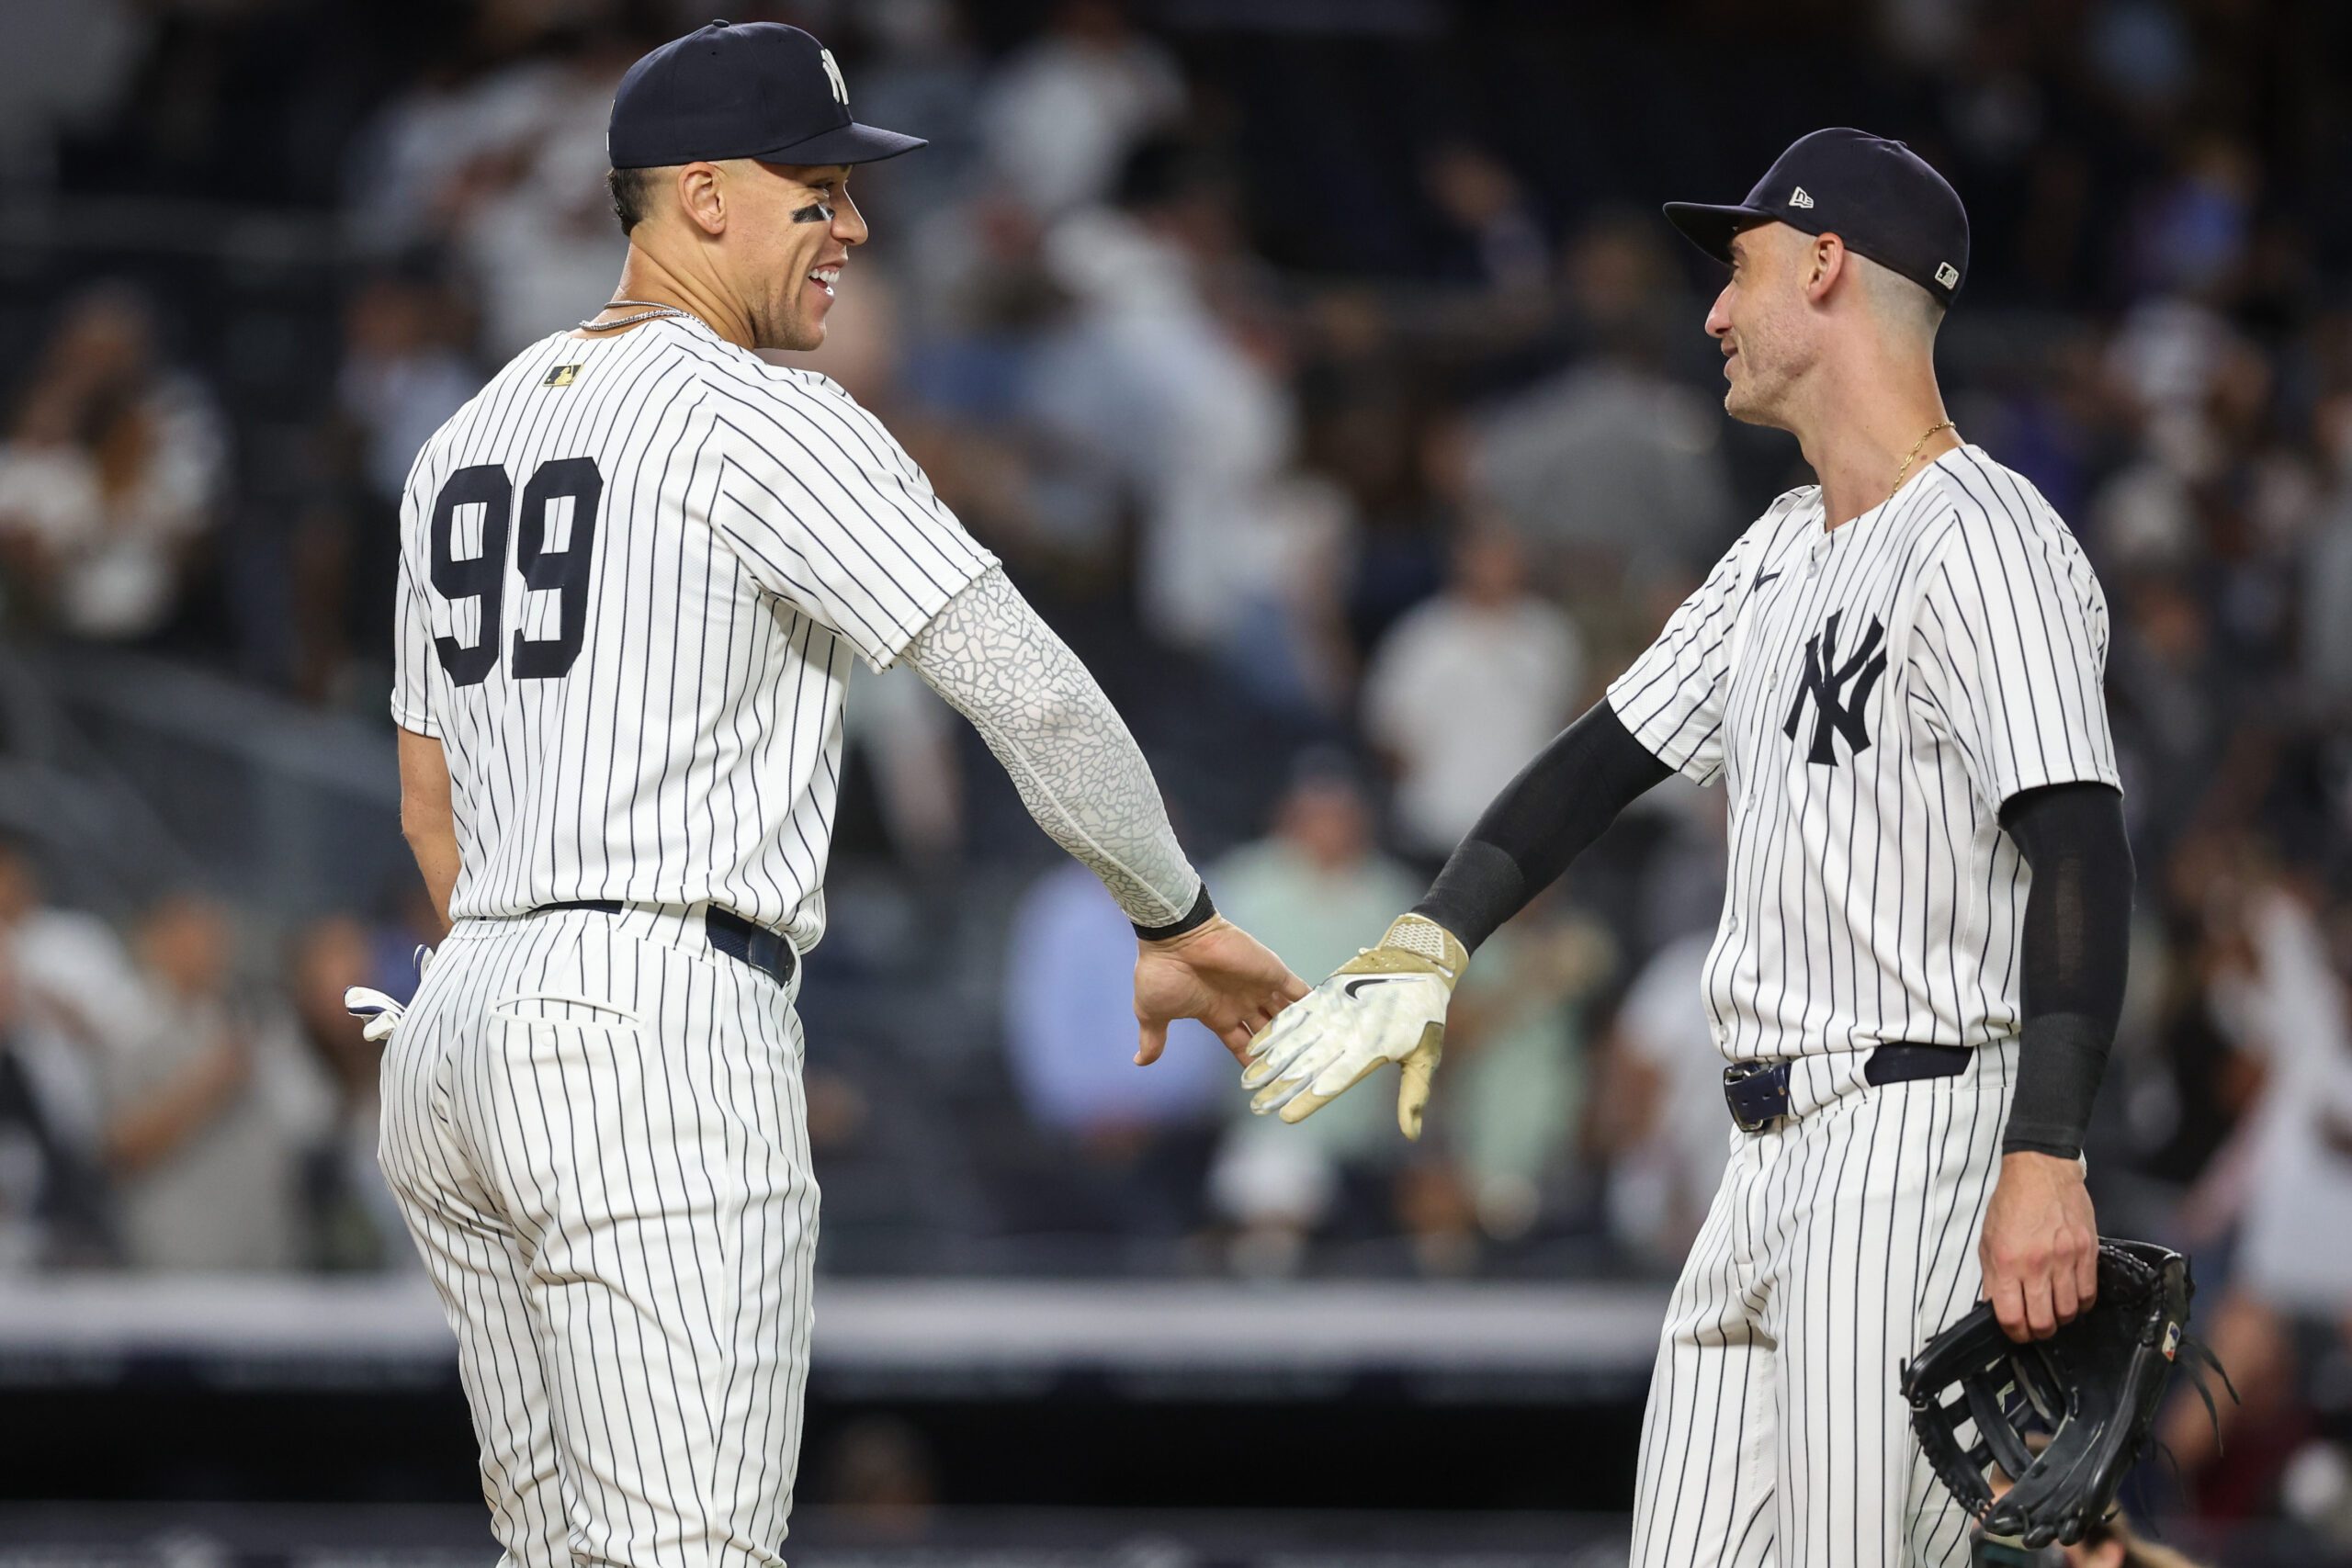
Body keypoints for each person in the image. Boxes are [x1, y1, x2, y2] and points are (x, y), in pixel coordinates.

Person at [354, 23, 1301, 1565]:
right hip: (650, 1010)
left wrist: (521, 1004)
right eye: (818, 191)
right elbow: (1036, 692)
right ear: (703, 194)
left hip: (461, 1030)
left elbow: (427, 808)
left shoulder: (470, 433)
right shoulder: (757, 412)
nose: (854, 227)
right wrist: (1175, 913)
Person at [1240, 130, 2132, 1567]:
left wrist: (2049, 1155)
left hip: (1916, 1129)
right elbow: (1599, 760)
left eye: (1741, 268)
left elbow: (2083, 848)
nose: (1714, 311)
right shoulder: (1779, 544)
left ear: (1828, 264)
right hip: (1762, 1153)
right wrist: (1433, 936)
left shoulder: (1989, 539)